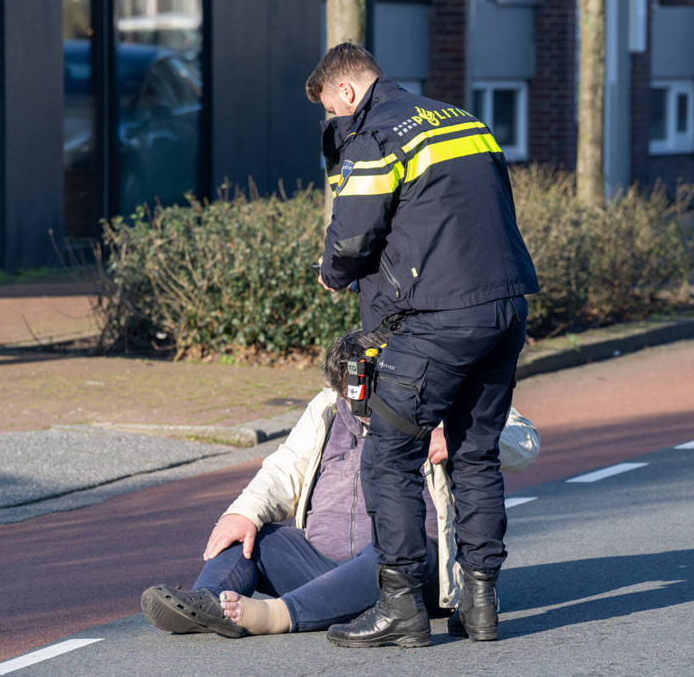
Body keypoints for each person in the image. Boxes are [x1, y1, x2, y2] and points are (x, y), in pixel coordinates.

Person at [308, 43, 539, 647]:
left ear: (349, 92)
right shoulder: (464, 120)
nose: (331, 122)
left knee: (388, 456)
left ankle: (401, 608)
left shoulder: (377, 134)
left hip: (437, 319)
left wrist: (331, 271)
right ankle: (482, 605)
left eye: (331, 109)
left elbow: (355, 234)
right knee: (474, 454)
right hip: (505, 308)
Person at [140, 329, 539, 638]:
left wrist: (459, 438)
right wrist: (243, 513)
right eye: (348, 395)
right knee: (250, 535)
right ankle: (206, 605)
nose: (358, 406)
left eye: (366, 393)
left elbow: (525, 441)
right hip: (317, 565)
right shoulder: (328, 406)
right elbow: (284, 468)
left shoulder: (445, 401)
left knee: (392, 548)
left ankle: (274, 617)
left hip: (410, 575)